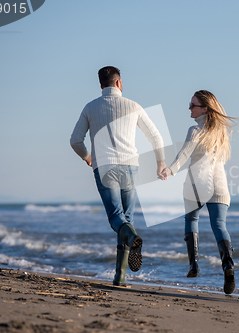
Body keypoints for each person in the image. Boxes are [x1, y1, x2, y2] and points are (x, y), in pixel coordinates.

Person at [70, 66, 166, 286]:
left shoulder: (90, 107)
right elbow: (156, 137)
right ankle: (120, 276)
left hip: (104, 168)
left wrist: (87, 157)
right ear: (119, 83)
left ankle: (129, 247)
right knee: (127, 218)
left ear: (101, 84)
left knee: (116, 218)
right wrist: (160, 163)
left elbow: (75, 140)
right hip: (130, 167)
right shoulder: (134, 106)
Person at [160, 90, 239, 294]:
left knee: (191, 220)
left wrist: (170, 170)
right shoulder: (221, 133)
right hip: (220, 185)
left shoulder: (195, 130)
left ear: (205, 108)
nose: (189, 108)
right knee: (219, 225)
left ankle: (193, 265)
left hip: (197, 184)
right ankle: (228, 266)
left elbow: (184, 154)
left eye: (192, 105)